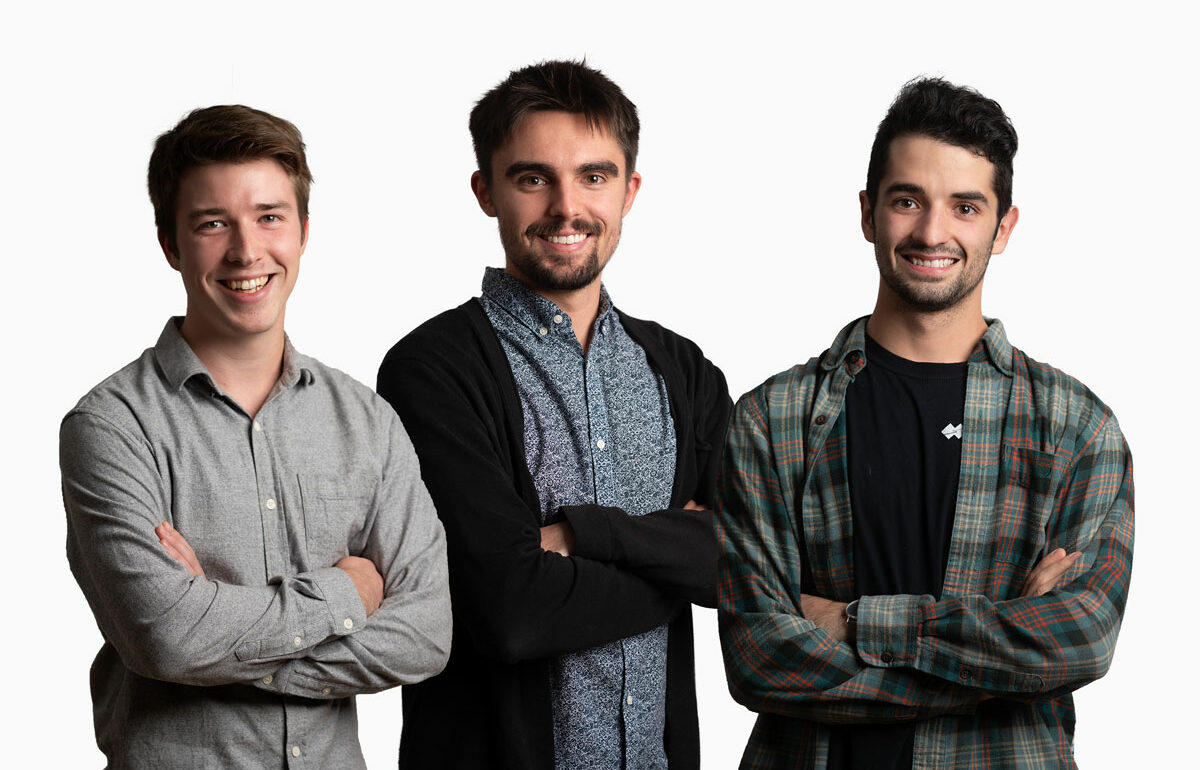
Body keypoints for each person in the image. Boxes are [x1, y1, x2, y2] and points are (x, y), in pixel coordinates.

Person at [716, 78, 1133, 769]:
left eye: (965, 207)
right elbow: (759, 658)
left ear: (1003, 228)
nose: (933, 233)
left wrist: (851, 622)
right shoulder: (773, 420)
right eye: (907, 200)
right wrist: (1008, 662)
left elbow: (1082, 640)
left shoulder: (1075, 428)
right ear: (868, 213)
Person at [60, 105, 451, 769]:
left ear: (303, 232)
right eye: (213, 223)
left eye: (270, 217)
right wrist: (347, 594)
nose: (247, 251)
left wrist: (216, 640)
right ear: (170, 244)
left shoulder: (366, 419)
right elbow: (167, 640)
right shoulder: (112, 427)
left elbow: (425, 634)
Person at [377, 60, 731, 770]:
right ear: (486, 191)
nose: (567, 208)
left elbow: (748, 560)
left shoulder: (684, 371)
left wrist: (578, 535)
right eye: (533, 178)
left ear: (630, 191)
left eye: (594, 176)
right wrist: (675, 561)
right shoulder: (431, 371)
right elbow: (506, 610)